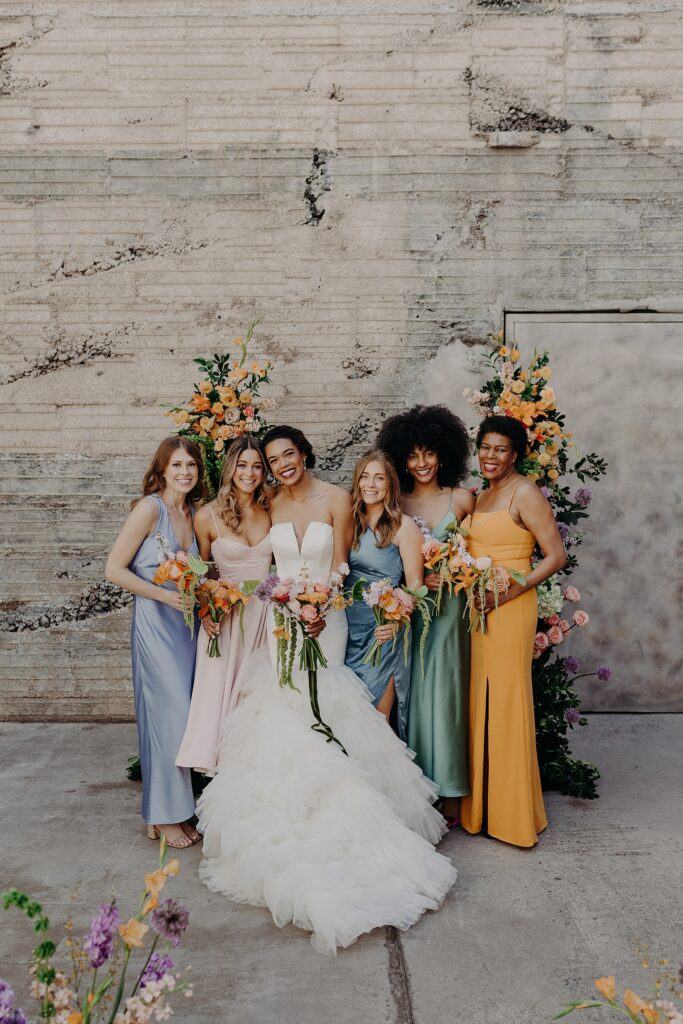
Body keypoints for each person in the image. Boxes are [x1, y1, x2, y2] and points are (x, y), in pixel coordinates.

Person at [197, 425, 456, 953]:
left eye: (288, 454)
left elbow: (341, 565)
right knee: (281, 708)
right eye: (272, 459)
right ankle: (290, 807)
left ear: (304, 454)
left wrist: (320, 608)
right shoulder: (267, 501)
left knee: (329, 704)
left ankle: (351, 812)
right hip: (278, 618)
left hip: (326, 618)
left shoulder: (339, 497)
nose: (281, 464)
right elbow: (257, 557)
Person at [459, 414, 567, 848]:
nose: (490, 455)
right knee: (479, 700)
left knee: (505, 701)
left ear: (516, 454)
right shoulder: (484, 494)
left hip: (508, 606)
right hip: (477, 608)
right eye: (485, 447)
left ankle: (512, 815)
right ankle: (483, 807)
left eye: (500, 449)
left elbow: (554, 556)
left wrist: (504, 595)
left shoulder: (525, 492)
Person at [105, 437, 207, 849]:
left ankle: (172, 811)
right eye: (177, 465)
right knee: (168, 717)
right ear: (162, 470)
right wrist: (163, 595)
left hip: (188, 628)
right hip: (156, 623)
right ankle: (164, 816)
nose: (185, 473)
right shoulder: (150, 509)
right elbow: (114, 569)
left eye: (191, 466)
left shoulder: (196, 513)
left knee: (185, 722)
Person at [377, 405, 474, 823]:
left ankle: (451, 787)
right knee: (410, 694)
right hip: (409, 610)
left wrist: (457, 570)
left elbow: (483, 554)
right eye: (412, 455)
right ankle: (416, 786)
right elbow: (378, 557)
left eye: (429, 454)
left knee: (445, 695)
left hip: (450, 611)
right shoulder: (393, 500)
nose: (421, 464)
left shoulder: (462, 498)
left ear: (444, 454)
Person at [176, 438, 272, 775]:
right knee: (220, 703)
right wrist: (207, 610)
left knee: (257, 699)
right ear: (230, 468)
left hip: (265, 619)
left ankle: (255, 774)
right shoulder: (207, 516)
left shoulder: (272, 508)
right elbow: (201, 574)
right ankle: (222, 781)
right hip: (227, 619)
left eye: (257, 466)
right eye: (243, 465)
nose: (250, 473)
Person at [344, 449, 424, 739]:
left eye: (379, 478)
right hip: (348, 631)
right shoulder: (349, 523)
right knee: (348, 716)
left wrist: (397, 621)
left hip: (384, 632)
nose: (371, 484)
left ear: (390, 484)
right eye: (365, 476)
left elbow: (415, 585)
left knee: (377, 717)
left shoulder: (404, 527)